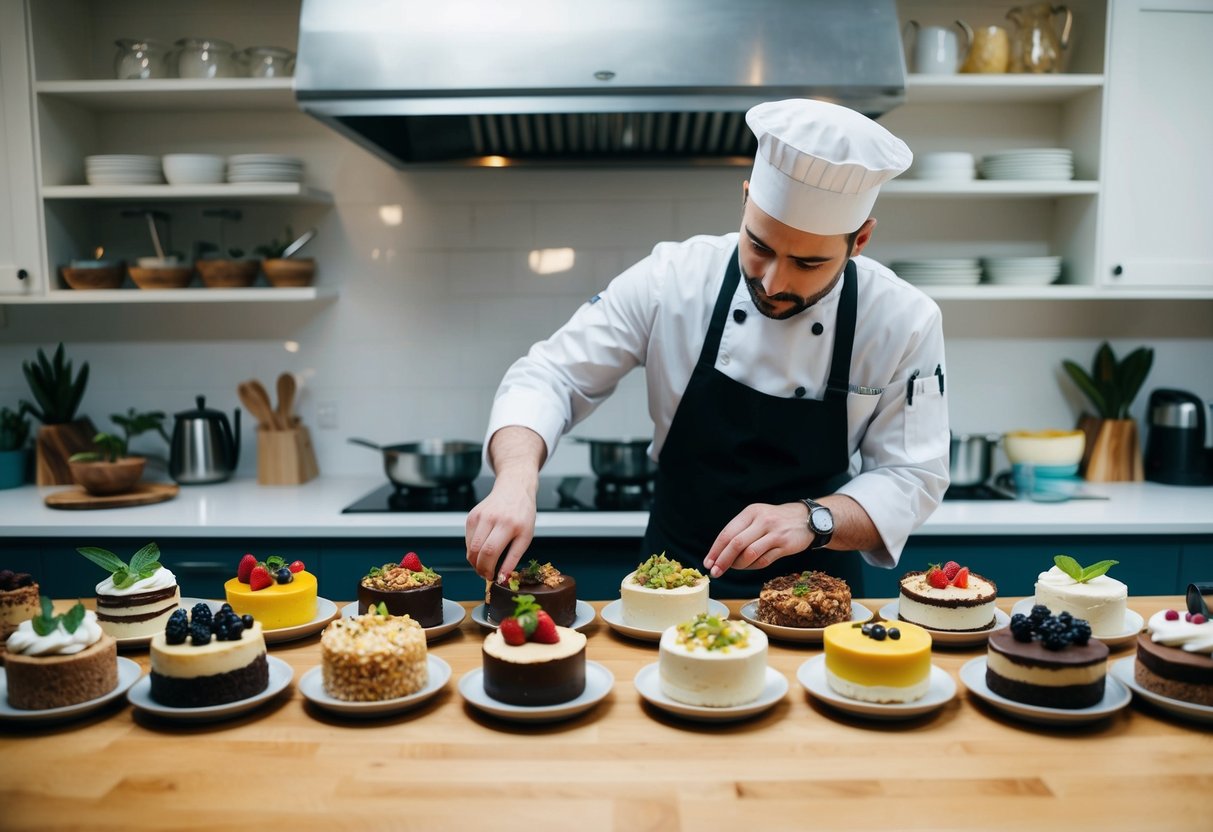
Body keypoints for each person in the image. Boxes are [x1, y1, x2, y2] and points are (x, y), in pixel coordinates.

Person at [465, 98, 950, 597]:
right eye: (759, 246)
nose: (773, 281)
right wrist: (517, 480)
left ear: (860, 240)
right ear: (745, 200)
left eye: (807, 264)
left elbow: (911, 474)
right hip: (669, 586)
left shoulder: (902, 320)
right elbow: (551, 375)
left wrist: (814, 519)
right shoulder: (672, 279)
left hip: (817, 593)